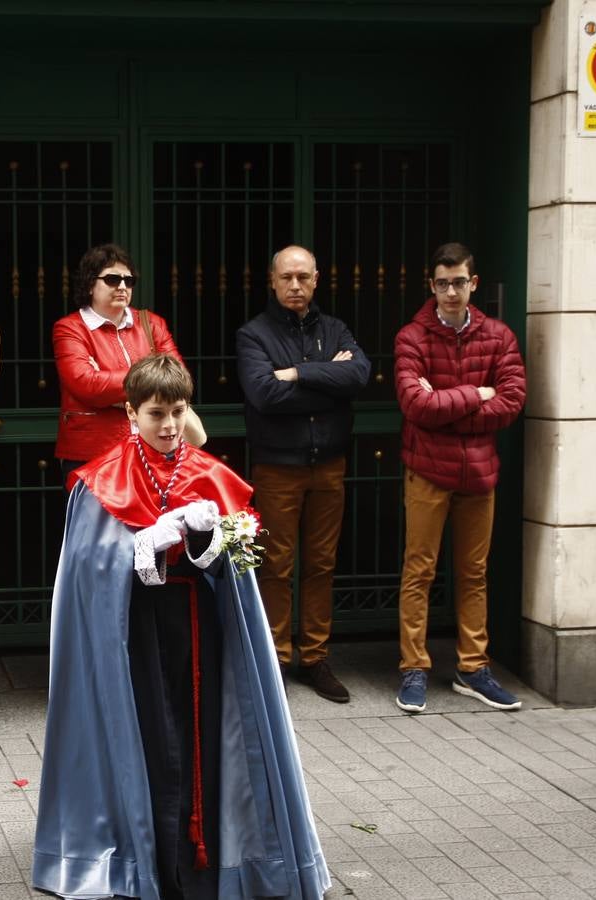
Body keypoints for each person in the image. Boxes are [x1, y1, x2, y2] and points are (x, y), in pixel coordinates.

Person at [33, 354, 330, 900]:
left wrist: (207, 539)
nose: (169, 426)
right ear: (130, 413)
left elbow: (238, 563)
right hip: (134, 634)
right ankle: (144, 857)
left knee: (201, 739)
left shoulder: (211, 473)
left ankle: (206, 858)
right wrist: (137, 543)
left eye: (178, 411)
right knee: (149, 738)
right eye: (156, 414)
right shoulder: (98, 481)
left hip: (199, 629)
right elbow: (86, 571)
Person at [393, 242, 527, 714]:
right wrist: (477, 392)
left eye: (459, 282)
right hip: (428, 471)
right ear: (431, 285)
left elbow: (510, 402)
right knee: (419, 571)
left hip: (479, 474)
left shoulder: (499, 336)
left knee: (474, 574)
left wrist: (448, 403)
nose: (451, 291)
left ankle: (473, 668)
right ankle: (414, 667)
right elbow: (415, 405)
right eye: (442, 283)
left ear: (474, 284)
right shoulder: (412, 337)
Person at [236, 245, 370, 703]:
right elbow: (265, 395)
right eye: (287, 277)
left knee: (322, 565)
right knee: (275, 565)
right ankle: (275, 657)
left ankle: (314, 657)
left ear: (317, 280)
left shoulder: (335, 328)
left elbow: (359, 376)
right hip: (278, 467)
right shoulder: (253, 334)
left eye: (303, 277)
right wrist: (325, 379)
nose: (295, 285)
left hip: (329, 464)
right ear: (272, 281)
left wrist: (295, 373)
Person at [52, 243, 206, 486]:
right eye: (112, 279)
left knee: (156, 524)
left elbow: (179, 379)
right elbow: (86, 385)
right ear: (90, 284)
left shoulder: (152, 323)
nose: (122, 286)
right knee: (96, 524)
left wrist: (110, 382)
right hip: (94, 455)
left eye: (128, 280)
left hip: (154, 450)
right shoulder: (70, 328)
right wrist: (153, 376)